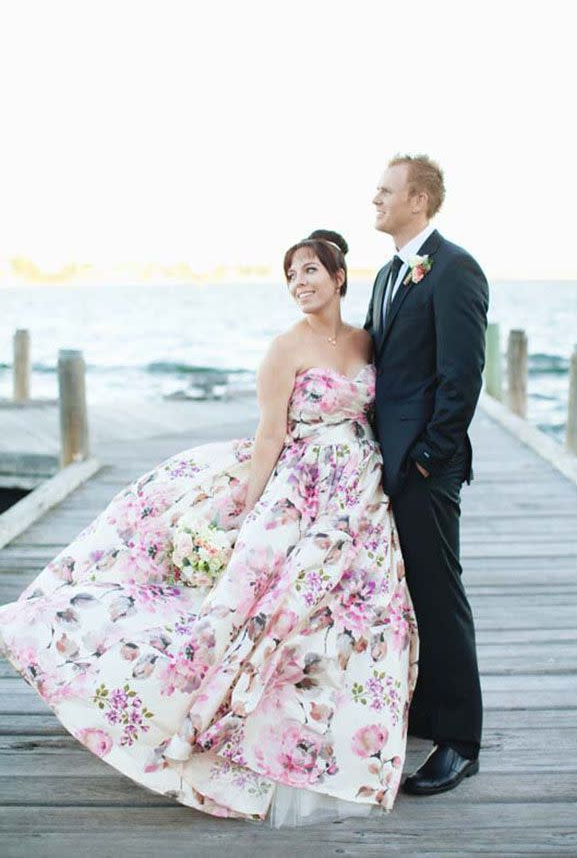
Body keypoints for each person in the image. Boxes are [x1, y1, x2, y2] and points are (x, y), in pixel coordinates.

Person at [0, 230, 418, 826]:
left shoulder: (366, 340)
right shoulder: (284, 349)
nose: (300, 283)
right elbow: (271, 433)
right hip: (301, 482)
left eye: (310, 271)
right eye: (291, 275)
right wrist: (251, 508)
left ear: (339, 277)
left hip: (359, 493)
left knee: (354, 611)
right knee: (252, 604)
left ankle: (331, 738)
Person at [365, 154, 489, 795]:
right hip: (386, 466)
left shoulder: (455, 269)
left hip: (424, 469)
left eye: (386, 190)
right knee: (406, 598)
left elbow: (462, 375)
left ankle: (460, 742)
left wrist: (427, 458)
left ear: (419, 199)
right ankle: (422, 712)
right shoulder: (388, 275)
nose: (375, 198)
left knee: (440, 599)